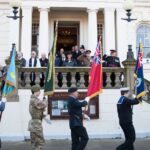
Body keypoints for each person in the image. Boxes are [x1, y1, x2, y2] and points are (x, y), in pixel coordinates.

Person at [28, 84, 47, 150]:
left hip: (35, 124)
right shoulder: (34, 100)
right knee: (40, 143)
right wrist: (44, 99)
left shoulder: (34, 99)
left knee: (35, 143)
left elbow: (39, 109)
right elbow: (44, 104)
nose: (40, 92)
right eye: (39, 91)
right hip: (36, 125)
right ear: (36, 91)